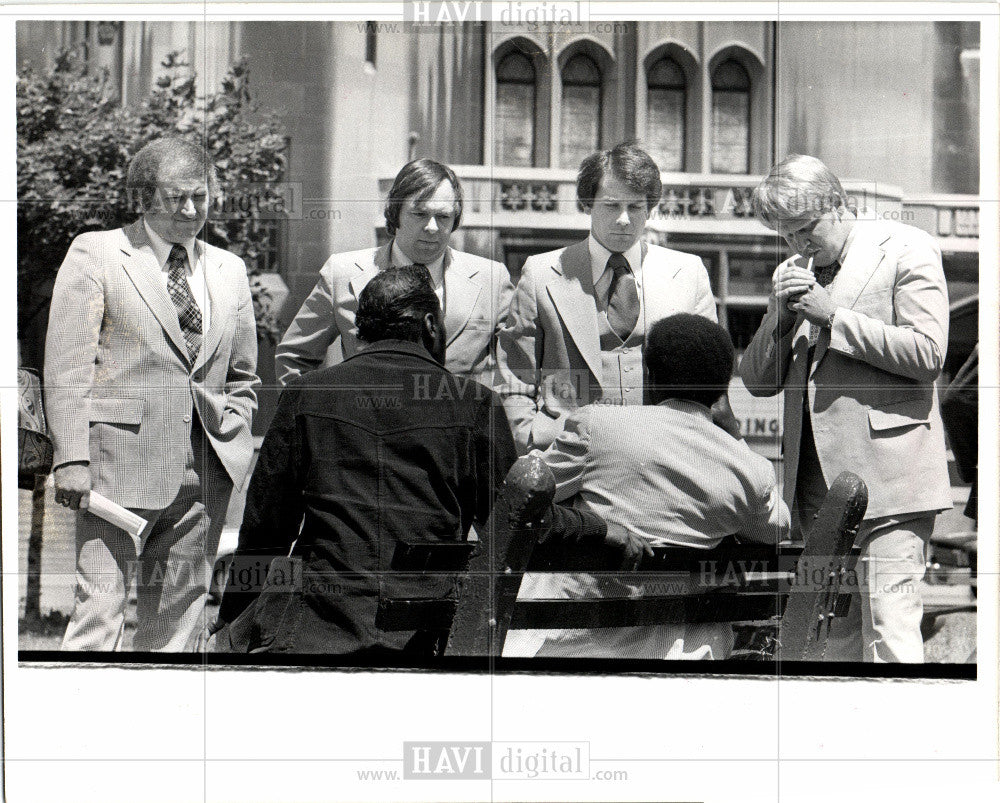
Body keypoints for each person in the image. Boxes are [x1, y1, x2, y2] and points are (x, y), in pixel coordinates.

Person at [209, 266, 645, 655]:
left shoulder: (307, 393)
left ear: (361, 333)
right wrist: (601, 529)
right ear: (432, 325)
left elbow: (265, 528)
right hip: (424, 635)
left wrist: (232, 620)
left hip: (314, 630)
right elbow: (516, 520)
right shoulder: (473, 403)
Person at [45, 137, 260, 651]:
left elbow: (245, 375)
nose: (190, 210)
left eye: (201, 197)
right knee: (98, 616)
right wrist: (70, 456)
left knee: (178, 626)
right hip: (113, 469)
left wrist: (235, 438)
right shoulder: (97, 252)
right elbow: (67, 366)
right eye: (175, 197)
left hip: (205, 474)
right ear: (144, 197)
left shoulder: (230, 269)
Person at [739, 154, 952, 663]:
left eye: (805, 228)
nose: (797, 245)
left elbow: (928, 354)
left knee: (889, 632)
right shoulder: (793, 272)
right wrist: (778, 317)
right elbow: (758, 382)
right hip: (817, 491)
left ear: (836, 203)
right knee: (830, 642)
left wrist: (834, 316)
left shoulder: (906, 247)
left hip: (891, 486)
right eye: (785, 235)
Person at [507, 314, 789, 659]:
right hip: (683, 654)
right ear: (722, 388)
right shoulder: (748, 468)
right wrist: (735, 436)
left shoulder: (597, 426)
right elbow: (776, 529)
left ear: (650, 377)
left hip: (569, 645)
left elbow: (520, 496)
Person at [496, 141, 717, 455]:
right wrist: (530, 437)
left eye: (636, 207)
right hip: (568, 456)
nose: (625, 219)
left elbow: (709, 378)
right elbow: (515, 376)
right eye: (612, 205)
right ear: (588, 204)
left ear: (650, 208)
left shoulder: (688, 272)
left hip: (663, 459)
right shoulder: (541, 273)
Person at [275, 158, 513, 386]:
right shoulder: (342, 274)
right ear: (395, 212)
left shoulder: (491, 279)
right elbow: (294, 358)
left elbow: (516, 372)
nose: (432, 227)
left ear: (455, 219)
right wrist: (315, 422)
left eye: (443, 216)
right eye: (419, 214)